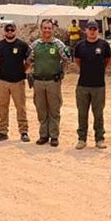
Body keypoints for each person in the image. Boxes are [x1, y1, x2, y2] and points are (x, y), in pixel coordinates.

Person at [29, 19, 71, 147]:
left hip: (53, 81)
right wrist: (30, 73)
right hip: (38, 81)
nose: (47, 30)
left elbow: (67, 59)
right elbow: (28, 60)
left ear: (53, 30)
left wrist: (62, 72)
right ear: (41, 29)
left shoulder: (58, 44)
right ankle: (43, 135)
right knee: (41, 108)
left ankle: (54, 135)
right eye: (44, 28)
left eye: (49, 28)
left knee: (54, 109)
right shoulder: (35, 45)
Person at [74, 21, 111, 149]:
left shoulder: (104, 45)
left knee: (98, 114)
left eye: (94, 29)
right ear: (86, 30)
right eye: (90, 29)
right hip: (83, 85)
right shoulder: (80, 46)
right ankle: (81, 139)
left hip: (99, 85)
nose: (92, 31)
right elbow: (77, 61)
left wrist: (99, 70)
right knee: (82, 113)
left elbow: (107, 60)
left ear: (98, 30)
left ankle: (99, 139)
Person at [0, 23, 30, 142]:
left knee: (21, 108)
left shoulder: (22, 45)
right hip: (3, 81)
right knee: (3, 107)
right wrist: (3, 70)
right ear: (4, 31)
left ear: (15, 31)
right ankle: (2, 131)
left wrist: (21, 70)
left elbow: (29, 60)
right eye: (7, 30)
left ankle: (23, 131)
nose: (10, 32)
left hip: (18, 81)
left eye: (12, 30)